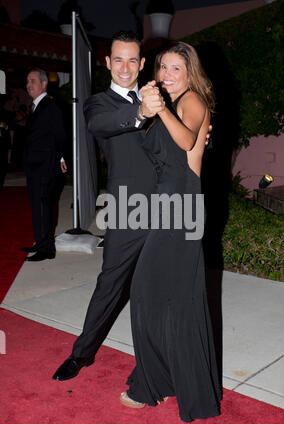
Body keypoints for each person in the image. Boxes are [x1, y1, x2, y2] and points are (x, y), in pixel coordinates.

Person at [52, 31, 211, 382]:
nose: (125, 67)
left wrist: (200, 136)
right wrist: (140, 111)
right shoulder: (99, 104)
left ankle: (160, 365)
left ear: (142, 64)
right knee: (111, 283)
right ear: (107, 63)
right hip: (129, 210)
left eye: (132, 60)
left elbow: (185, 137)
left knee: (163, 291)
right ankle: (82, 354)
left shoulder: (165, 96)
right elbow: (100, 125)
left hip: (172, 209)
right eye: (118, 60)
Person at [120, 41, 222, 422]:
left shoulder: (192, 101)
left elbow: (187, 142)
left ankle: (152, 385)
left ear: (189, 72)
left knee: (149, 293)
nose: (166, 74)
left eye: (176, 68)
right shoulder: (167, 105)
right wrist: (147, 111)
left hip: (182, 207)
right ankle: (168, 381)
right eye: (163, 67)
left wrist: (161, 111)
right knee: (169, 299)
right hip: (166, 205)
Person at [22, 68, 67, 262]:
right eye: (27, 81)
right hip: (34, 165)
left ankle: (47, 249)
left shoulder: (50, 106)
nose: (28, 85)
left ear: (43, 84)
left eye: (32, 81)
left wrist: (62, 158)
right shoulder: (36, 106)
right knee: (37, 206)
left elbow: (60, 135)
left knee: (43, 206)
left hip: (45, 165)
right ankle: (40, 242)